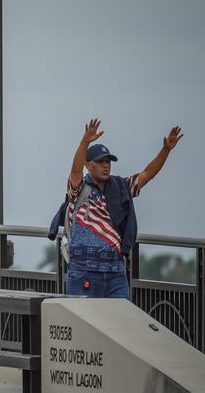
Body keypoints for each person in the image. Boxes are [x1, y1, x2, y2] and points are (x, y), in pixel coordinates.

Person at [64, 118, 183, 298]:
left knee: (120, 322)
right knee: (84, 324)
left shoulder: (120, 187)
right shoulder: (79, 188)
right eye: (100, 161)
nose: (106, 166)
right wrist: (85, 142)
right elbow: (75, 170)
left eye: (108, 162)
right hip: (83, 272)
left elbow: (147, 174)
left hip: (115, 272)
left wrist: (165, 150)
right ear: (88, 165)